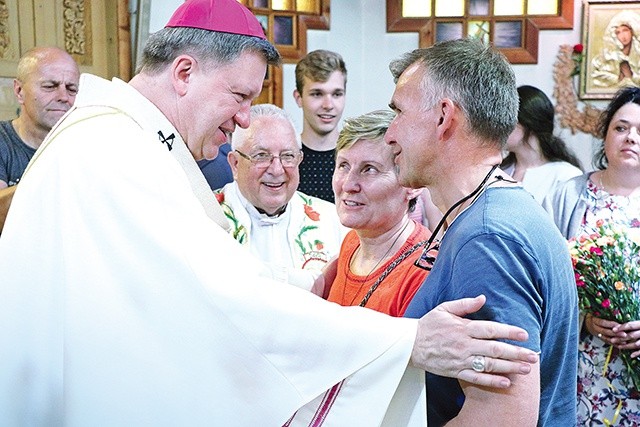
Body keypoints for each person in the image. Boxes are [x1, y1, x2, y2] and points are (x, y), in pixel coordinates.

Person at [0, 1, 540, 425]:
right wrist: (406, 341)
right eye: (239, 95)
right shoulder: (114, 151)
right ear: (184, 71)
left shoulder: (121, 141)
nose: (242, 120)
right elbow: (216, 301)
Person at [385, 38, 579, 426]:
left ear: (444, 117)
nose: (390, 133)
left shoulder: (489, 237)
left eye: (398, 112)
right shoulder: (496, 212)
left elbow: (499, 418)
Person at [544, 86, 640, 425]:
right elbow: (546, 276)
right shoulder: (568, 195)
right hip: (584, 363)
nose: (631, 138)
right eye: (621, 127)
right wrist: (584, 317)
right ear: (605, 135)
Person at [216, 103, 345, 293]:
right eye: (261, 156)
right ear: (235, 164)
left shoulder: (333, 220)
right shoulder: (205, 216)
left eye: (288, 156)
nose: (277, 169)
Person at [326, 109, 431, 316]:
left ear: (413, 184)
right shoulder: (353, 241)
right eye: (343, 165)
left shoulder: (422, 272)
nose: (348, 185)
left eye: (369, 169)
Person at [0, 46, 79, 189]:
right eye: (49, 86)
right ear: (19, 91)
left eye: (71, 89)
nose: (64, 97)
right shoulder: (3, 140)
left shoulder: (85, 145)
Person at [501, 85, 582, 203]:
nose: (498, 128)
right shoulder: (499, 170)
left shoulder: (566, 176)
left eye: (507, 120)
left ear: (529, 122)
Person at [293, 49, 346, 202]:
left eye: (337, 94)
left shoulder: (358, 159)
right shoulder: (284, 159)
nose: (328, 105)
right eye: (317, 94)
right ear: (299, 98)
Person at [591, 10, 640, 88]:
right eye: (618, 32)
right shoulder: (608, 57)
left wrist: (630, 76)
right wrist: (617, 78)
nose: (623, 35)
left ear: (632, 31)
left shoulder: (638, 54)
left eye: (625, 30)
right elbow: (595, 77)